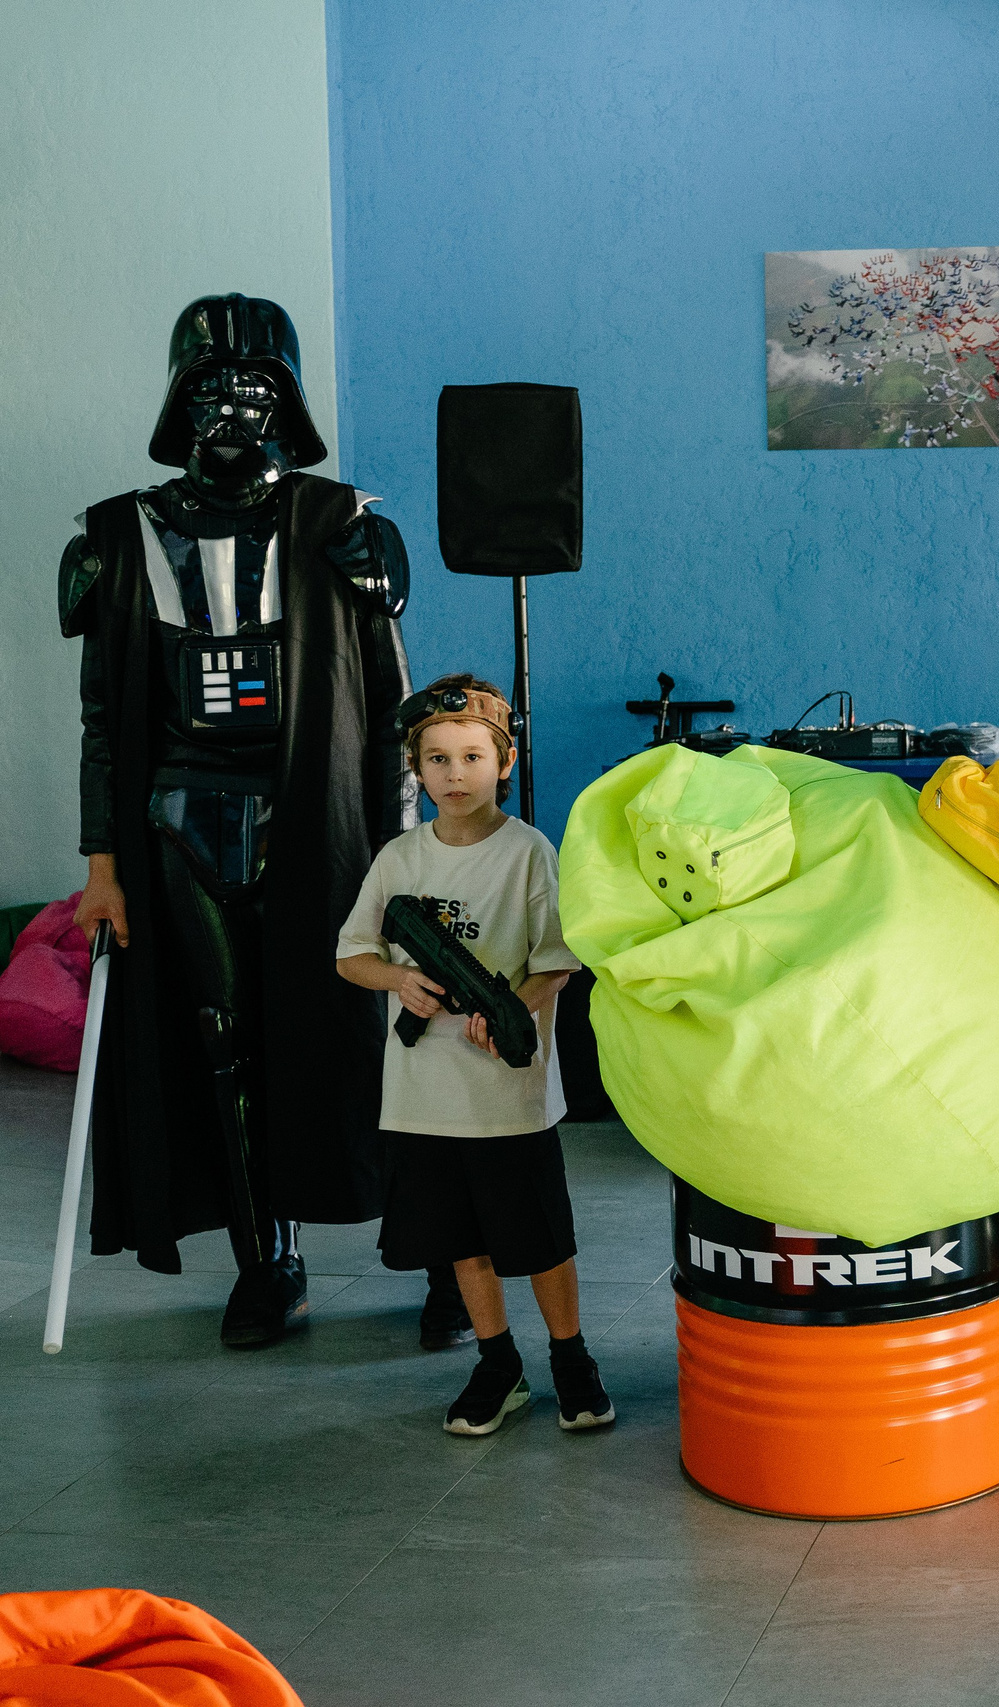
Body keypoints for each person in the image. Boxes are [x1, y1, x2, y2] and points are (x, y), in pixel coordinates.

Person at [58, 293, 474, 1350]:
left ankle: (439, 1262)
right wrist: (103, 866)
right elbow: (106, 719)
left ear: (285, 402)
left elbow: (391, 705)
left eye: (254, 388)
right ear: (176, 400)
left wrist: (409, 850)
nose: (233, 409)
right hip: (182, 829)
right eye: (211, 388)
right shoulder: (116, 539)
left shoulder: (344, 528)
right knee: (221, 1047)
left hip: (326, 829)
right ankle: (265, 1261)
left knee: (385, 1039)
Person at [334, 676, 611, 1436]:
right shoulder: (398, 858)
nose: (454, 775)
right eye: (436, 759)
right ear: (416, 772)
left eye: (471, 756)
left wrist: (510, 1006)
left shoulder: (528, 853)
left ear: (505, 761)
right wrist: (402, 980)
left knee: (541, 1239)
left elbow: (562, 959)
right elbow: (351, 954)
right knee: (462, 1242)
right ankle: (498, 1363)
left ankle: (570, 1357)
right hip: (426, 1096)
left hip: (508, 1093)